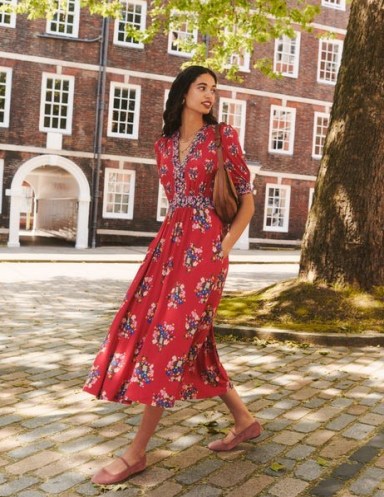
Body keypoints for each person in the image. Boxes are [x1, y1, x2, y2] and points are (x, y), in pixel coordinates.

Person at [83, 65, 261, 486]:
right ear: (183, 93)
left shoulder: (223, 137)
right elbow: (175, 202)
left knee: (169, 339)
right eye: (202, 87)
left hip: (205, 253)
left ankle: (136, 452)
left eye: (214, 90)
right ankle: (245, 420)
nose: (210, 95)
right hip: (169, 248)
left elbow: (248, 203)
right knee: (187, 342)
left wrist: (223, 247)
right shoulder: (162, 147)